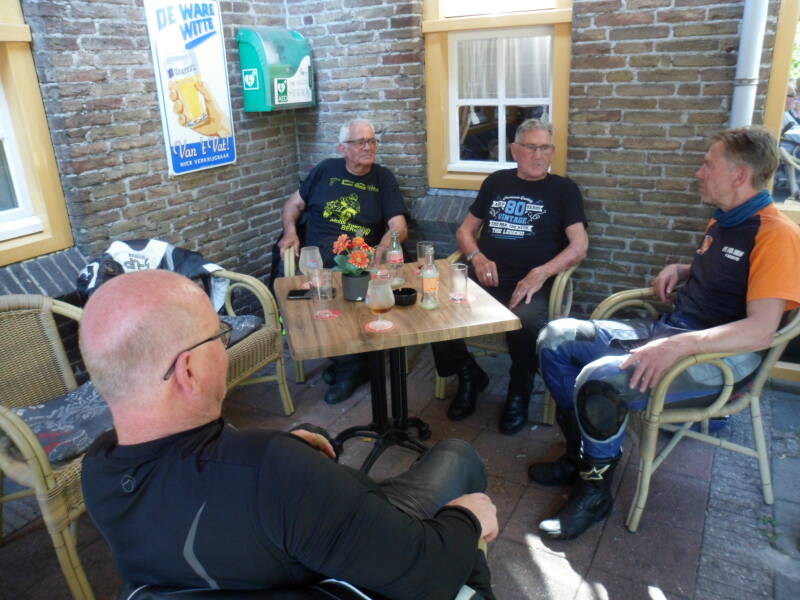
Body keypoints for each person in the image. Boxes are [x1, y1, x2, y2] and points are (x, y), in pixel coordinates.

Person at [79, 270, 498, 599]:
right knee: (458, 457)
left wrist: (289, 451)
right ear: (188, 370)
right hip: (368, 561)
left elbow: (212, 495)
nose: (224, 349)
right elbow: (428, 575)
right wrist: (468, 520)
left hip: (295, 539)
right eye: (219, 336)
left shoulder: (97, 471)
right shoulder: (273, 473)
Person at [531, 126, 800, 540]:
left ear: (740, 175)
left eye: (708, 165)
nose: (699, 172)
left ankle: (596, 492)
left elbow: (761, 330)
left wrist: (677, 346)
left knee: (601, 381)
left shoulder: (777, 235)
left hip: (720, 359)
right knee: (556, 338)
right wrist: (684, 269)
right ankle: (581, 455)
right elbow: (733, 272)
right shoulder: (725, 219)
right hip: (675, 331)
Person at [432, 119, 588, 435]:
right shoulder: (497, 182)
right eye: (531, 147)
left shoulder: (564, 190)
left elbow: (579, 246)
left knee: (526, 321)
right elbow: (465, 231)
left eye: (545, 148)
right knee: (436, 307)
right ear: (515, 150)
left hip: (530, 283)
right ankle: (468, 374)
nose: (539, 155)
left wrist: (541, 273)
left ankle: (519, 391)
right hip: (484, 277)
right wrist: (476, 257)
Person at [278, 118, 408, 404]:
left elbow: (398, 225)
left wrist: (381, 248)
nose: (368, 147)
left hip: (356, 260)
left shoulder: (383, 178)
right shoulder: (325, 170)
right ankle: (350, 362)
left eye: (372, 141)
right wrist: (290, 232)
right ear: (343, 148)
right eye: (360, 142)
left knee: (346, 294)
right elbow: (293, 204)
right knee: (299, 298)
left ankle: (350, 367)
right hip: (314, 259)